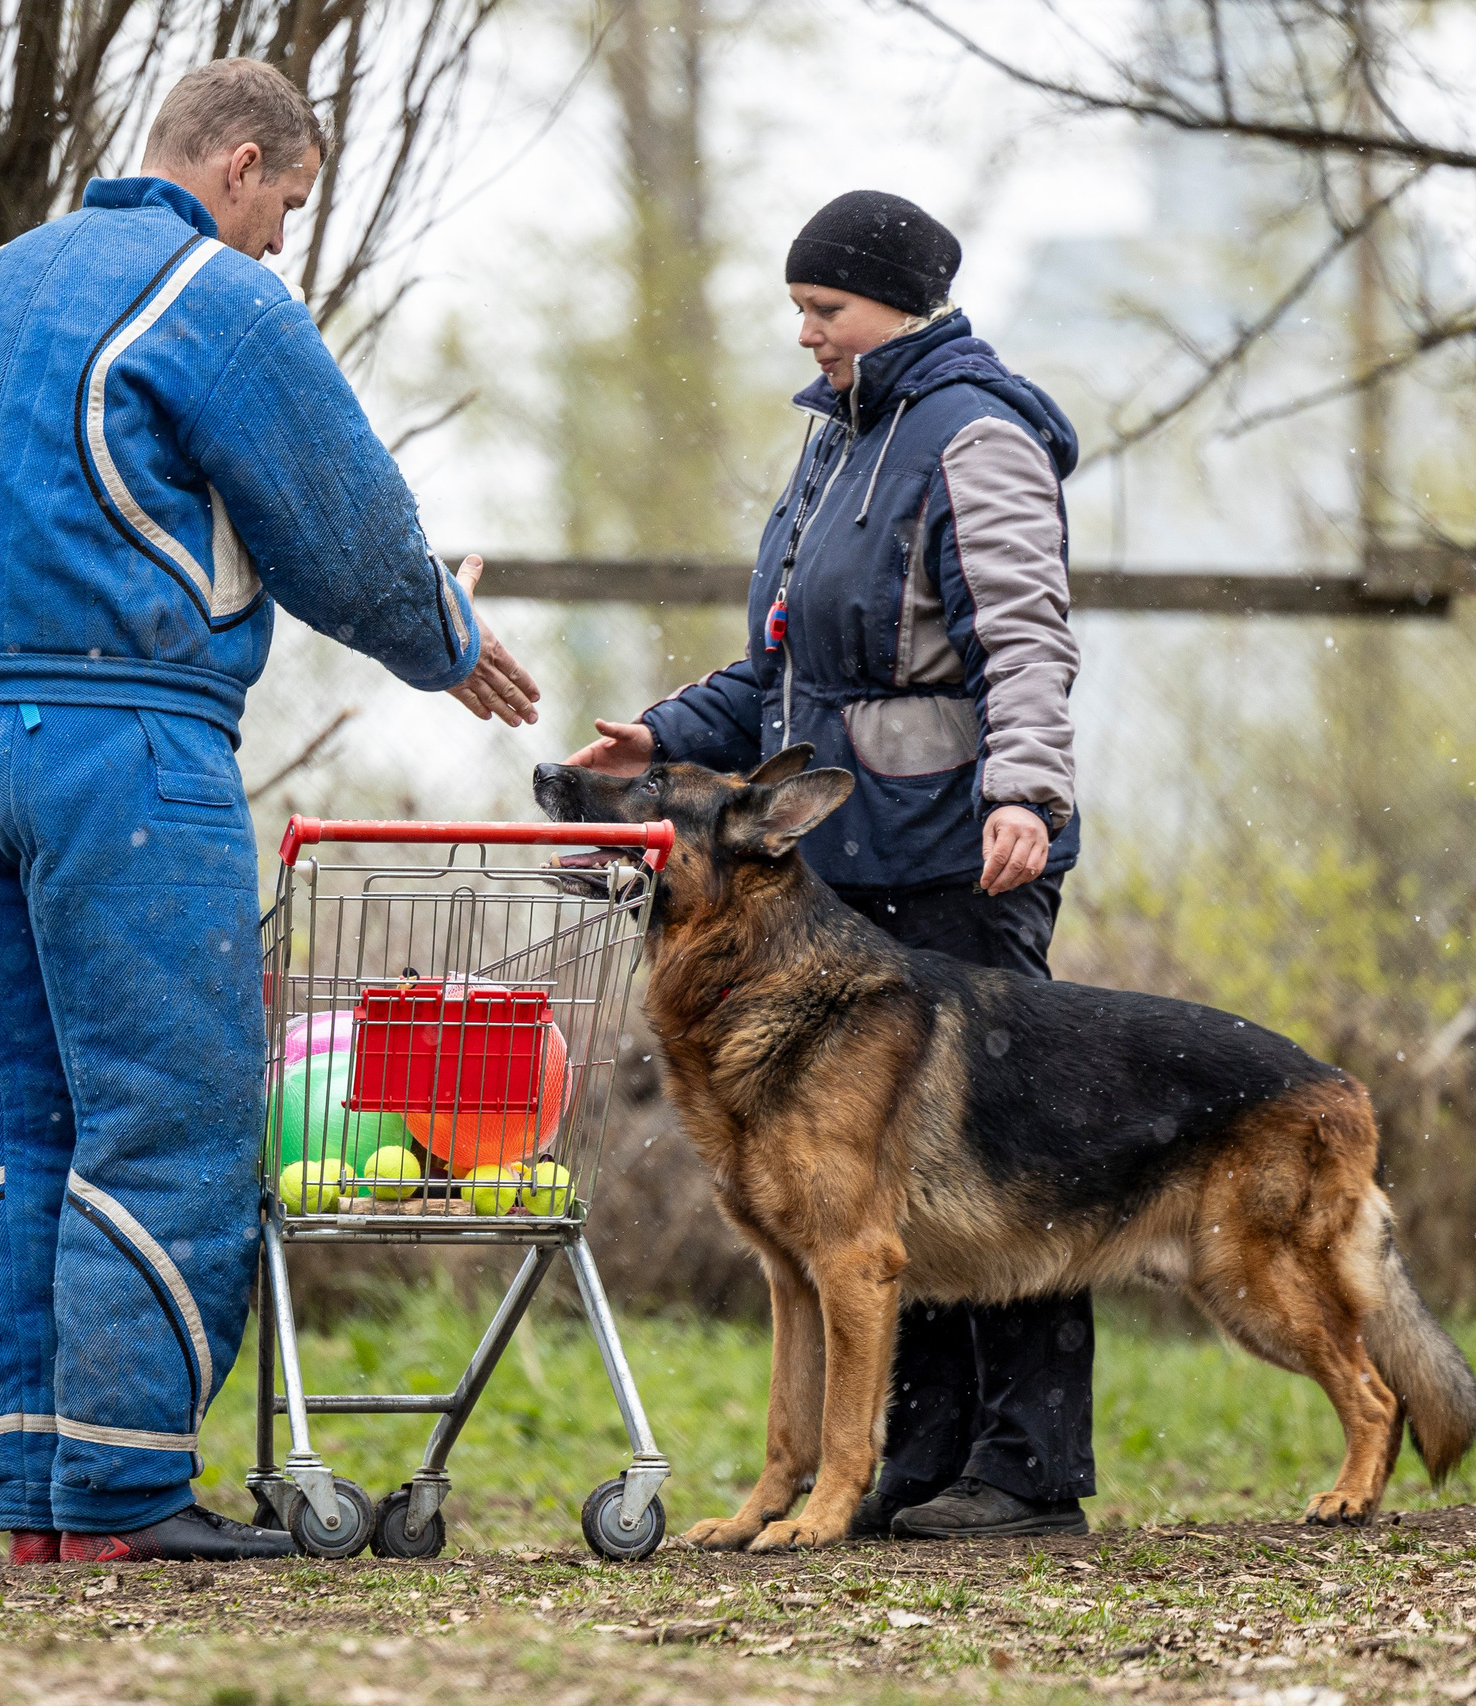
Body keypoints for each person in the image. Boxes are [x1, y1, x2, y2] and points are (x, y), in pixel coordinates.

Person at [0, 58, 540, 1565]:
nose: (282, 243)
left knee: (16, 1110)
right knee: (166, 1105)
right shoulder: (213, 297)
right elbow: (341, 515)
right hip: (123, 744)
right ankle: (125, 1489)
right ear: (241, 165)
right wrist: (443, 636)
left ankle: (39, 1488)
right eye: (288, 206)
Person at [566, 190, 1092, 1540]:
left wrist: (1024, 790)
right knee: (872, 1188)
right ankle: (909, 1461)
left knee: (997, 1156)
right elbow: (783, 665)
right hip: (847, 867)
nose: (806, 333)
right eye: (800, 309)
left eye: (827, 310)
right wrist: (665, 734)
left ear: (903, 306)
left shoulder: (977, 435)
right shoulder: (838, 446)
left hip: (963, 854)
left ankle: (1025, 1468)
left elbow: (1028, 641)